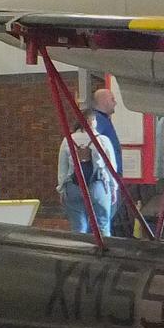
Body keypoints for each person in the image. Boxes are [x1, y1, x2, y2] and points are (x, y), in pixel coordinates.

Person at [57, 82, 121, 235]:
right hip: (98, 185)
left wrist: (61, 189)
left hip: (73, 186)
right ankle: (102, 255)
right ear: (93, 121)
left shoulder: (67, 140)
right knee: (103, 225)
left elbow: (62, 167)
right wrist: (114, 189)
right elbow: (111, 167)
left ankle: (79, 256)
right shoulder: (103, 140)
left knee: (78, 228)